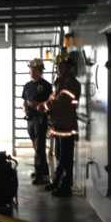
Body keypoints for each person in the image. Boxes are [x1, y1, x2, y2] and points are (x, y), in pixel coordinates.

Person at [37, 50, 81, 197]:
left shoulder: (72, 83)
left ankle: (65, 186)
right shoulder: (60, 83)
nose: (58, 68)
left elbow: (62, 101)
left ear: (68, 67)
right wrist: (45, 105)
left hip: (66, 126)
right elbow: (52, 98)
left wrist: (45, 106)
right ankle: (57, 182)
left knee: (66, 159)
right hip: (59, 125)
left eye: (60, 66)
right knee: (59, 156)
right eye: (57, 66)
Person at [22, 58, 52, 185]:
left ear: (40, 71)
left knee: (39, 146)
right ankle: (43, 171)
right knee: (36, 145)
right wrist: (24, 107)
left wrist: (39, 104)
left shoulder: (46, 86)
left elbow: (50, 103)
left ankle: (40, 175)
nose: (32, 72)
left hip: (41, 119)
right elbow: (24, 100)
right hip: (30, 119)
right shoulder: (28, 86)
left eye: (35, 70)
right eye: (31, 70)